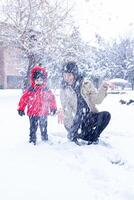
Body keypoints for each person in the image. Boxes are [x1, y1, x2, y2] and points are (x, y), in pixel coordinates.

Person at [59, 61, 111, 145]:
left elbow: (97, 100)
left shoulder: (86, 84)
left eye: (69, 75)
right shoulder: (64, 90)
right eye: (64, 75)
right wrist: (70, 129)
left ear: (75, 74)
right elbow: (66, 109)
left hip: (90, 117)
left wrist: (103, 87)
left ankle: (93, 138)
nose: (67, 78)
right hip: (78, 120)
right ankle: (79, 135)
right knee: (76, 128)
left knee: (106, 115)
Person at [17, 65, 57, 145]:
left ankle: (44, 137)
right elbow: (23, 99)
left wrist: (53, 108)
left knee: (44, 126)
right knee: (33, 127)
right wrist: (21, 108)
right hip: (32, 113)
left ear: (44, 80)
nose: (39, 81)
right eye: (37, 80)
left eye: (41, 80)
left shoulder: (46, 90)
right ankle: (32, 139)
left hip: (43, 112)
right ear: (33, 80)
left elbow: (51, 99)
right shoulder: (30, 90)